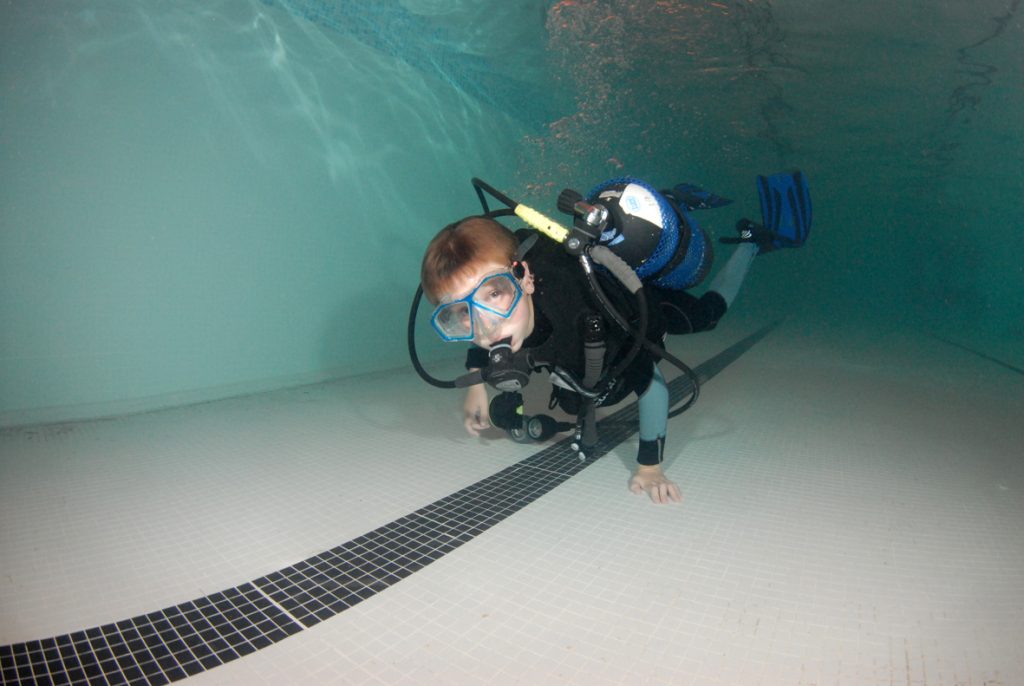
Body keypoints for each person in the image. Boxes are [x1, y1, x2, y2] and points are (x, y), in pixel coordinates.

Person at [418, 173, 809, 505]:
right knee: (570, 396)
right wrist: (476, 386)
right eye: (460, 315)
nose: (485, 328)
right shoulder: (499, 314)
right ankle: (674, 203)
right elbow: (483, 321)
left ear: (525, 277)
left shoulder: (585, 319)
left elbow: (652, 388)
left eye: (495, 294)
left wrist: (650, 467)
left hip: (637, 306)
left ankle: (750, 241)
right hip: (571, 314)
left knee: (707, 315)